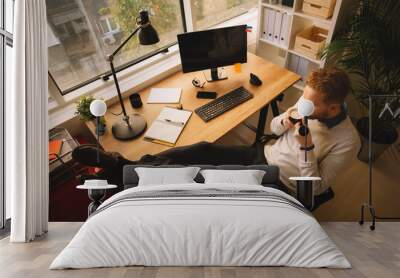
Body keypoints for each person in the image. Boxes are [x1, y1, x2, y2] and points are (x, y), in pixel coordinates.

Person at [73, 67, 360, 207]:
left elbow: (317, 189)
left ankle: (122, 179)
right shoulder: (308, 102)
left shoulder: (347, 141)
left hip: (281, 182)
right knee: (199, 148)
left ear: (333, 107)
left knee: (198, 176)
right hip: (261, 153)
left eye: (311, 105)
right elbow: (273, 129)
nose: (303, 106)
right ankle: (123, 163)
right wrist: (283, 120)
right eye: (303, 100)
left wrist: (306, 149)